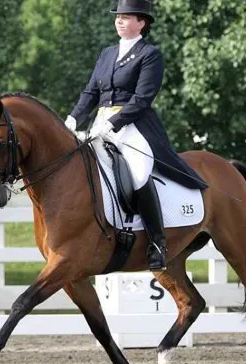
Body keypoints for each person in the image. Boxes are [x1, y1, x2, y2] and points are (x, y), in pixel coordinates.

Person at [65, 0, 207, 270]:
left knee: (139, 172)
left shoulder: (149, 54)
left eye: (127, 17)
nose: (120, 21)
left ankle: (157, 243)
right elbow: (91, 93)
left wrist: (113, 123)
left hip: (134, 126)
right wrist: (73, 118)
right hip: (100, 123)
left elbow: (142, 98)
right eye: (118, 17)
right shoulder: (107, 54)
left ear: (142, 22)